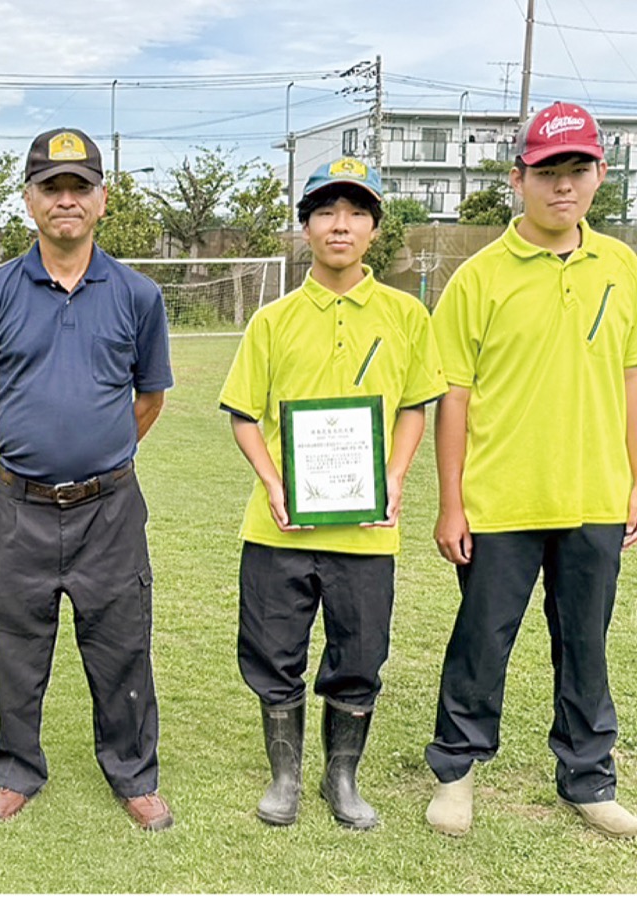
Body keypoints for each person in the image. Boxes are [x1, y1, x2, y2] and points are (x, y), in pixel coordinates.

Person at [425, 101, 637, 839]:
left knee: (586, 645)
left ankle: (588, 776)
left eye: (577, 169)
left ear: (601, 174)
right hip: (500, 498)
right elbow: (454, 396)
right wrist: (452, 503)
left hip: (595, 494)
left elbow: (631, 380)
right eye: (547, 172)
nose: (563, 185)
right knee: (482, 642)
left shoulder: (623, 268)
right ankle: (456, 770)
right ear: (518, 179)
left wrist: (633, 481)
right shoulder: (478, 278)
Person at [0, 127, 175, 830]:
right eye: (51, 187)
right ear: (29, 200)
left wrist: (97, 455)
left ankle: (133, 774)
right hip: (18, 508)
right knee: (17, 649)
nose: (66, 199)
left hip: (109, 509)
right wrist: (30, 450)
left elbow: (149, 397)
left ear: (102, 199)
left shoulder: (138, 295)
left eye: (80, 186)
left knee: (122, 647)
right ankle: (18, 771)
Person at [218, 158, 446, 829]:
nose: (340, 224)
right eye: (325, 211)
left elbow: (414, 406)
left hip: (367, 531)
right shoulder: (273, 320)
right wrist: (273, 482)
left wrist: (395, 476)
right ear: (306, 228)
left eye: (355, 212)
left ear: (374, 228)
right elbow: (243, 414)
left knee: (360, 656)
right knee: (273, 652)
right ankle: (285, 776)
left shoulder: (406, 315)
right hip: (279, 528)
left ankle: (340, 776)